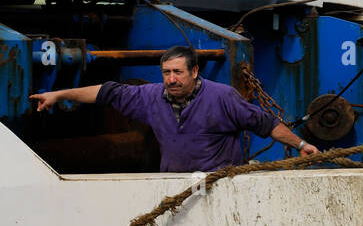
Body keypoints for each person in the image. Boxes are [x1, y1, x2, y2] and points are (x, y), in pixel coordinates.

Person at [29, 46, 320, 172]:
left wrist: (302, 144)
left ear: (194, 71)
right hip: (173, 189)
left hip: (218, 189)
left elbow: (266, 124)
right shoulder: (150, 97)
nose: (171, 79)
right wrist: (58, 94)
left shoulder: (223, 98)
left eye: (178, 72)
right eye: (166, 72)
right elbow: (106, 92)